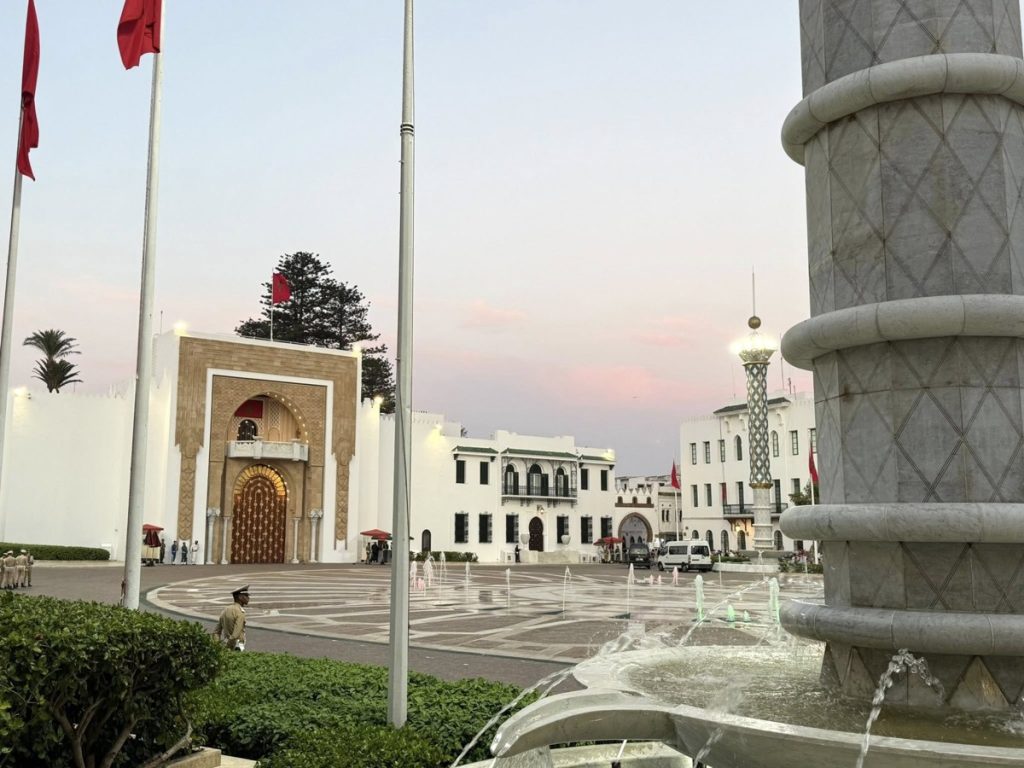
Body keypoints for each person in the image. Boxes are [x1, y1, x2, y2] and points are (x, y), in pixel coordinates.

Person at [214, 585, 249, 651]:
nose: (248, 598)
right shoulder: (240, 612)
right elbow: (236, 634)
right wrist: (228, 646)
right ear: (240, 597)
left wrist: (217, 646)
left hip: (226, 643)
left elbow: (216, 632)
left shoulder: (225, 610)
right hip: (237, 646)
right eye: (246, 595)